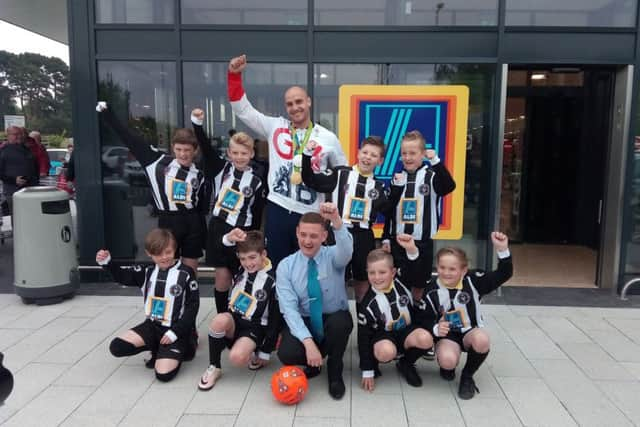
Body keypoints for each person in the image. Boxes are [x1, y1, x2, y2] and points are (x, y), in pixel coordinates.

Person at [227, 54, 347, 267]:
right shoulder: (275, 127)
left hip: (310, 214)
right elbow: (242, 110)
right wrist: (234, 77)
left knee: (311, 270)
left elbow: (344, 177)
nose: (295, 107)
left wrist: (334, 217)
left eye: (299, 101)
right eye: (289, 104)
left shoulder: (328, 137)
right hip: (279, 208)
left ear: (308, 102)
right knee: (278, 268)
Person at [96, 101, 205, 273]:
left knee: (191, 268)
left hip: (192, 220)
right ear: (173, 148)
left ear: (195, 151)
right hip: (169, 221)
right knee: (167, 265)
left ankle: (190, 297)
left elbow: (202, 201)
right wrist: (108, 114)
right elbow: (129, 138)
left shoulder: (199, 171)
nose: (183, 154)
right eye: (179, 149)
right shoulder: (156, 162)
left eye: (187, 150)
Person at [96, 228, 200, 382]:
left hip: (176, 329)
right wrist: (108, 263)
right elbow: (124, 277)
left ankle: (185, 347)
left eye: (168, 252)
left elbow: (193, 307)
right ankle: (157, 347)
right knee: (117, 347)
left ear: (175, 249)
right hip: (152, 325)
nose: (164, 257)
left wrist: (175, 332)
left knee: (163, 375)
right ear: (149, 253)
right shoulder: (147, 272)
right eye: (158, 254)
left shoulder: (186, 273)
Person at [417, 231, 512, 400]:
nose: (446, 273)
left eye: (452, 269)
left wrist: (502, 250)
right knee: (447, 360)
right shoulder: (431, 288)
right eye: (442, 268)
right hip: (448, 336)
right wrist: (436, 328)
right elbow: (424, 318)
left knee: (482, 340)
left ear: (464, 270)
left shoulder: (474, 281)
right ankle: (448, 366)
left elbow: (504, 274)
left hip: (470, 331)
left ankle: (467, 376)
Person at [191, 108, 266, 315]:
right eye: (236, 153)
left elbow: (258, 211)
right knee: (222, 277)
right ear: (229, 153)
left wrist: (255, 235)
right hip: (219, 229)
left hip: (244, 230)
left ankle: (242, 316)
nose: (240, 157)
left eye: (244, 153)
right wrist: (197, 124)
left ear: (251, 154)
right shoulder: (220, 169)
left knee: (244, 274)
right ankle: (223, 317)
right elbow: (205, 148)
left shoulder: (258, 181)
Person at [276, 203, 353, 399]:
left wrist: (336, 220)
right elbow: (289, 310)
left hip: (332, 318)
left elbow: (347, 250)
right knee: (286, 353)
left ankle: (335, 371)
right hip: (307, 320)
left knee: (340, 323)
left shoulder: (334, 256)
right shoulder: (286, 266)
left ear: (324, 236)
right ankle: (314, 362)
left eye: (314, 236)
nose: (307, 241)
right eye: (303, 235)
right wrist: (308, 344)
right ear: (297, 233)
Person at [301, 136, 389, 302]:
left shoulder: (379, 187)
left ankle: (362, 322)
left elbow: (390, 214)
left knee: (362, 282)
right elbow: (311, 180)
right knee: (333, 280)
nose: (367, 157)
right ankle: (334, 322)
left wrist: (386, 238)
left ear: (380, 161)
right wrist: (307, 156)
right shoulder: (340, 173)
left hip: (363, 237)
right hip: (336, 233)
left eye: (373, 155)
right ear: (358, 153)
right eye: (365, 152)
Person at [198, 230, 280, 390]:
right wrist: (228, 238)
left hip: (255, 328)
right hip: (234, 321)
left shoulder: (274, 279)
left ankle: (251, 350)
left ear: (263, 254)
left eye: (252, 257)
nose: (248, 263)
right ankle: (214, 367)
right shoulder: (240, 267)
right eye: (243, 258)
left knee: (236, 358)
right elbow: (218, 251)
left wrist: (265, 350)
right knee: (219, 320)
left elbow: (276, 319)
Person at [383, 130, 456, 298]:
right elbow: (390, 210)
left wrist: (436, 162)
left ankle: (418, 319)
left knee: (419, 285)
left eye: (413, 153)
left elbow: (449, 186)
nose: (408, 157)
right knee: (398, 284)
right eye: (404, 153)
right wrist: (386, 237)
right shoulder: (397, 178)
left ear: (423, 154)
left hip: (422, 242)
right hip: (398, 243)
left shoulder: (432, 177)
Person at [358, 240, 435, 391]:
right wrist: (367, 370)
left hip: (406, 331)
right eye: (372, 272)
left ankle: (406, 363)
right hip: (384, 336)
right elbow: (363, 338)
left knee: (426, 339)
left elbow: (414, 268)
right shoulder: (367, 305)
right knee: (385, 351)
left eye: (382, 272)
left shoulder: (402, 283)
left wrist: (412, 250)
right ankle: (376, 362)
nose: (377, 277)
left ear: (393, 272)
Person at [0, 126, 39, 215]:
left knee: (30, 217)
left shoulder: (27, 149)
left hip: (31, 190)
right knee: (18, 219)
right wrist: (14, 180)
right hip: (13, 192)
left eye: (20, 134)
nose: (19, 136)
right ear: (8, 136)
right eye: (15, 134)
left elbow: (34, 167)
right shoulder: (3, 151)